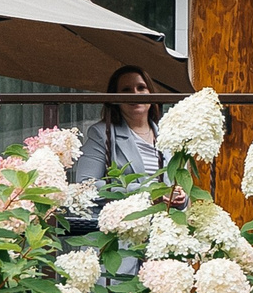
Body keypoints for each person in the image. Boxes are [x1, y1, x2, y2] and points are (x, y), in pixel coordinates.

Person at [71, 65, 185, 206]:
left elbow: (179, 184)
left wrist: (181, 198)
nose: (135, 94)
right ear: (115, 98)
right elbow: (85, 185)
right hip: (124, 222)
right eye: (126, 90)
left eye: (141, 88)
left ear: (151, 93)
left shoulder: (168, 135)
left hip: (165, 222)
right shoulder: (102, 133)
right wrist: (146, 193)